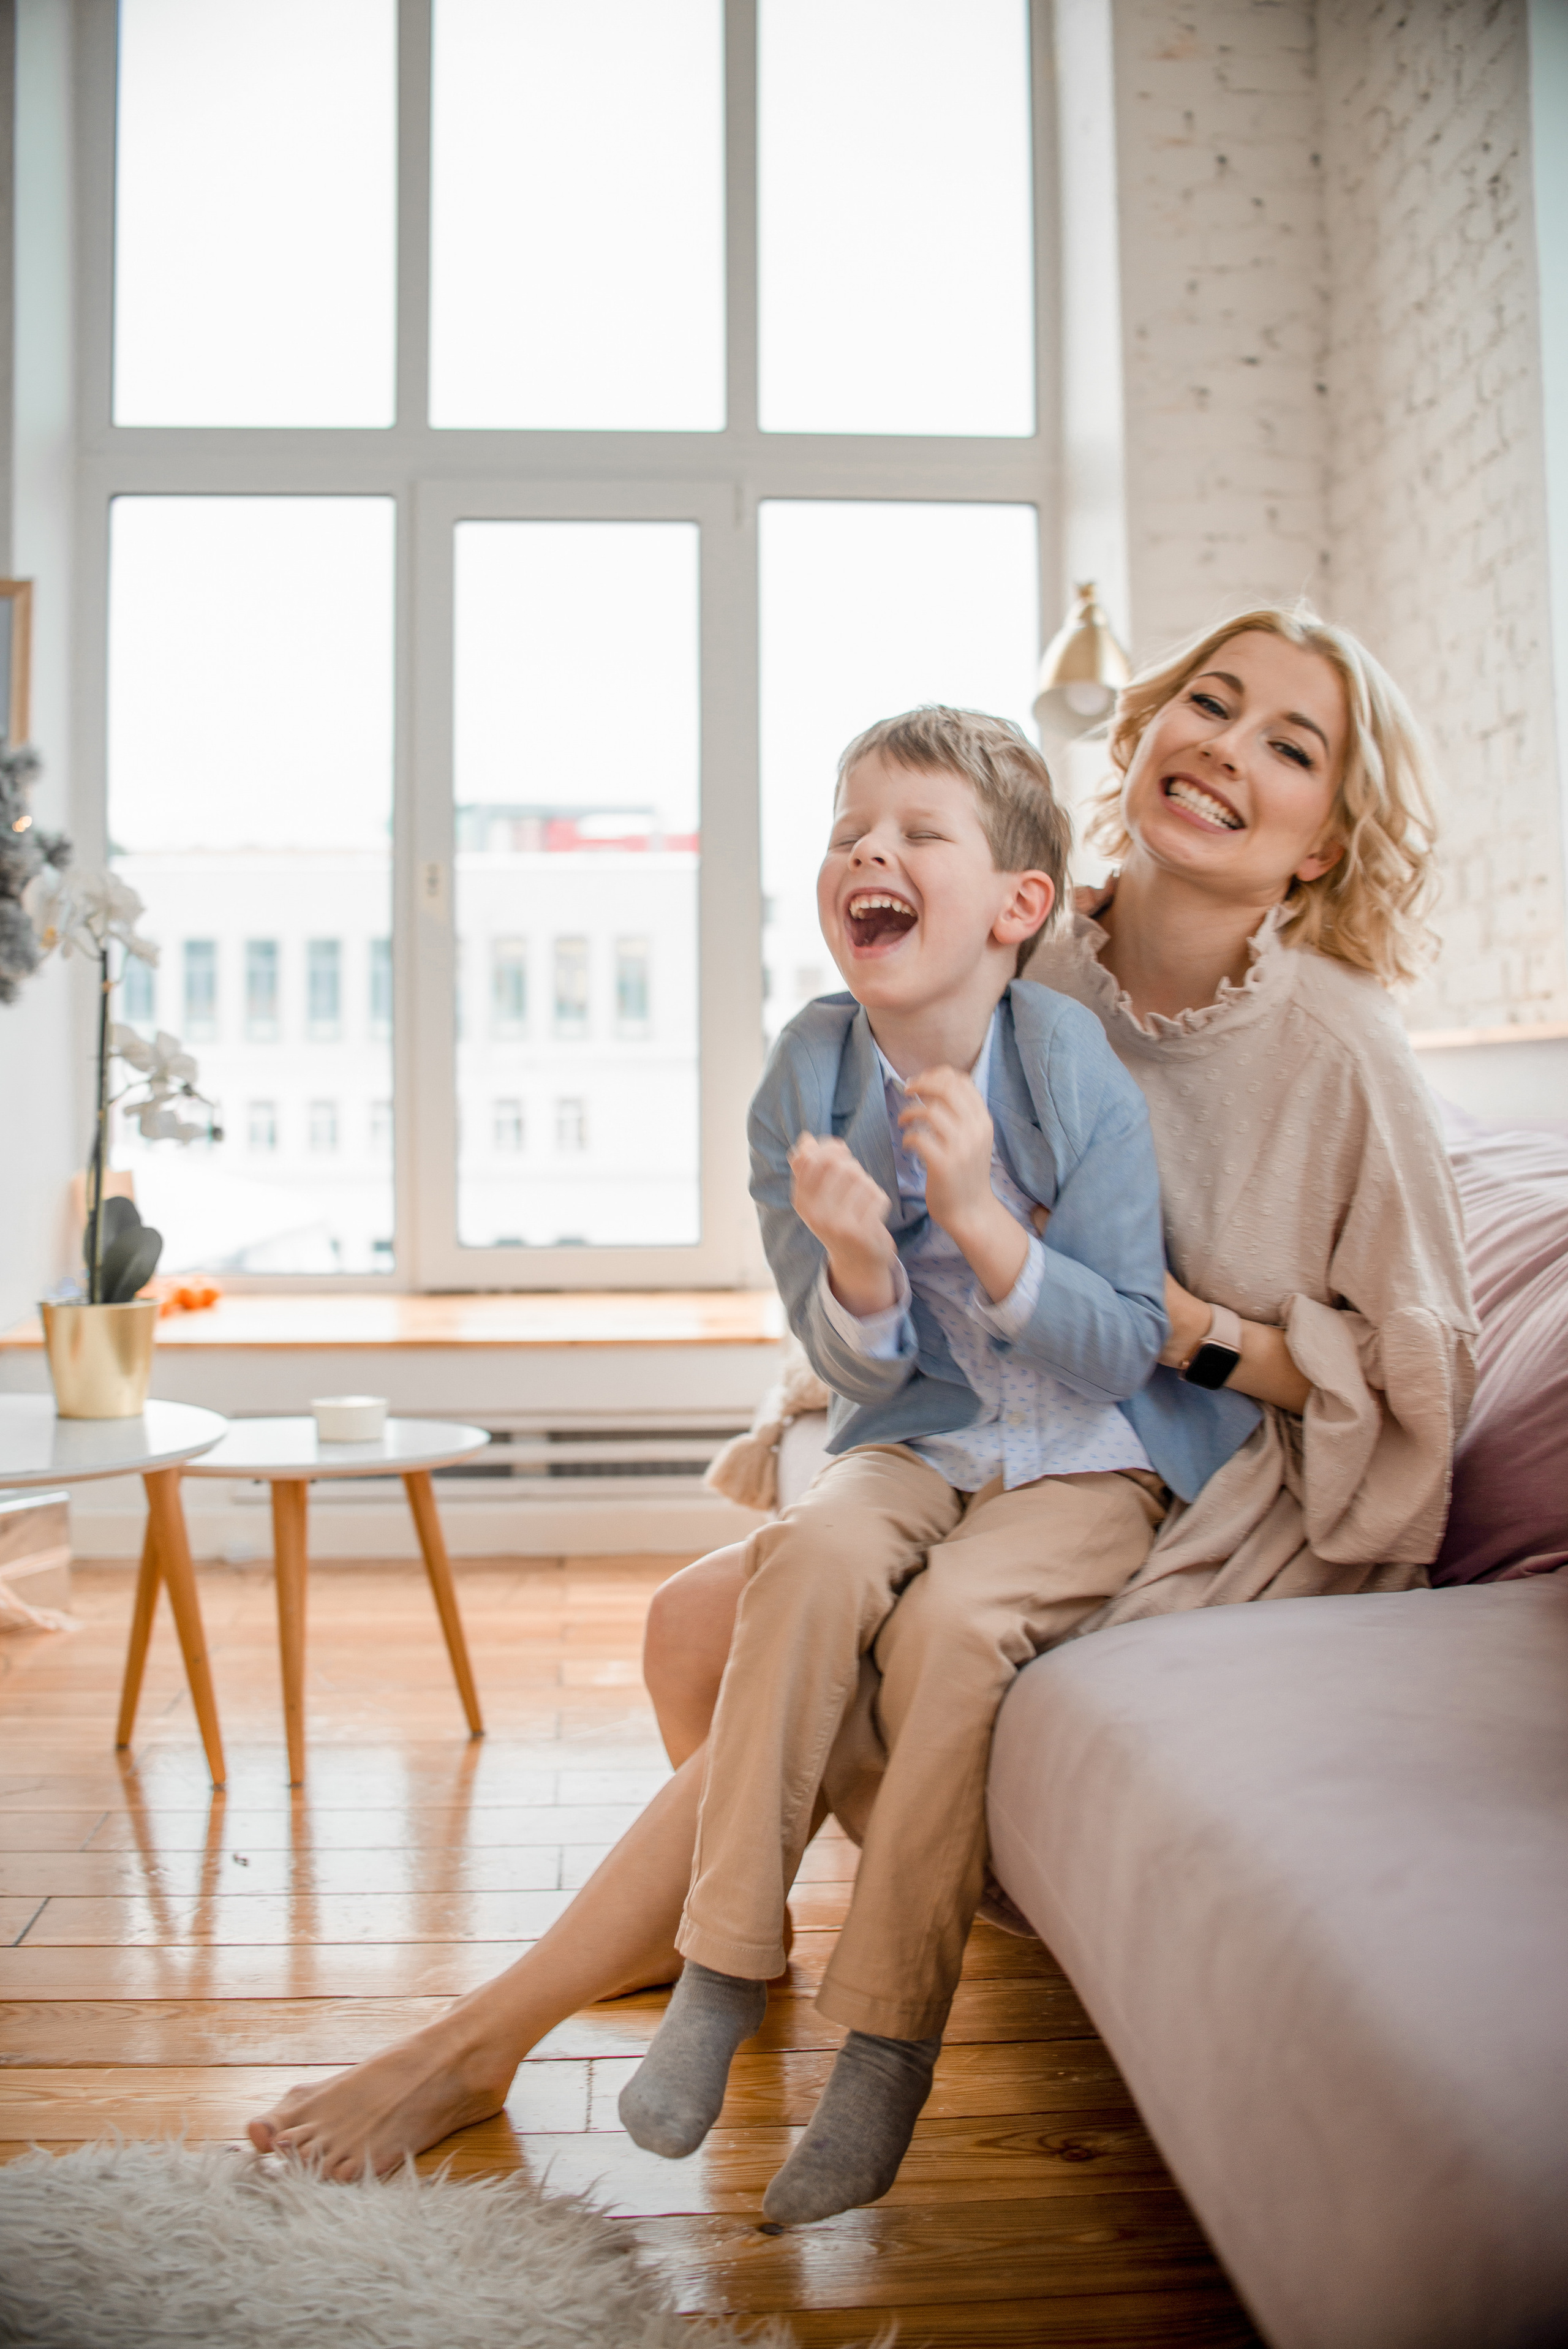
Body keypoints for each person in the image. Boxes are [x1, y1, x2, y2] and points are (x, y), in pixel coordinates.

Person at [248, 603, 1476, 2186]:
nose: (1228, 749)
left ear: (1323, 843)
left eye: (1289, 746)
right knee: (703, 1624)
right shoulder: (1024, 945)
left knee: (862, 1643)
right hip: (975, 1423)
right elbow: (878, 1197)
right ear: (1150, 730)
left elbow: (1398, 1368)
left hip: (1187, 1471)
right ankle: (728, 1940)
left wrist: (1194, 1329)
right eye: (1211, 704)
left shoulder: (1341, 1053)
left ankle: (489, 2038)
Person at [614, 706, 1256, 2225]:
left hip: (1090, 1458)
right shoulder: (804, 1075)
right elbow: (850, 1378)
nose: (868, 855)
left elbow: (1118, 1343)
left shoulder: (1068, 1062)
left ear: (1014, 906)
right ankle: (720, 1964)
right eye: (848, 833)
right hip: (922, 1429)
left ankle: (888, 2043)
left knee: (959, 1628)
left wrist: (976, 1219)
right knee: (808, 1555)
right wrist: (852, 1269)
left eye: (915, 833)